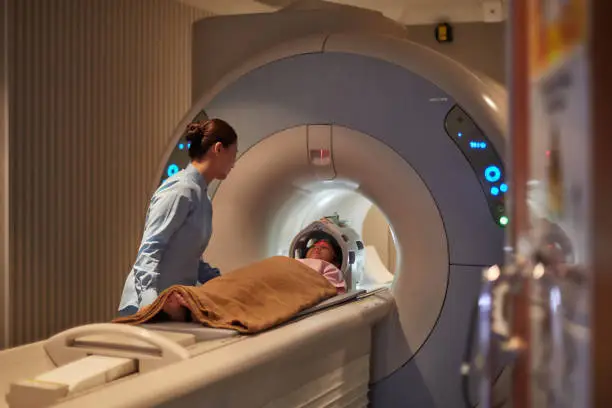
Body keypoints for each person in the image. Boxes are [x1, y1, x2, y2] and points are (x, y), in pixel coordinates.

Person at [117, 118, 238, 317]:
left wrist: (222, 283)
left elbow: (190, 258)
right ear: (218, 149)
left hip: (171, 306)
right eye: (234, 153)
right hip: (147, 305)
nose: (233, 163)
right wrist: (150, 303)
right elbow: (150, 250)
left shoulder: (202, 197)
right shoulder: (180, 190)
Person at [156, 238, 347, 322]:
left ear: (336, 261)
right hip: (280, 269)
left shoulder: (330, 270)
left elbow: (329, 290)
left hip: (295, 279)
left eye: (325, 248)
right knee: (238, 282)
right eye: (315, 245)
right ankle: (196, 298)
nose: (317, 248)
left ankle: (193, 308)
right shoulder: (291, 260)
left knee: (253, 294)